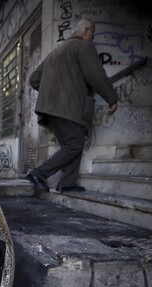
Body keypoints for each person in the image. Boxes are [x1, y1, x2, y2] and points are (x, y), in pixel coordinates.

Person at [27, 18, 118, 193]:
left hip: (50, 109)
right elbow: (96, 76)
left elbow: (34, 79)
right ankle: (39, 173)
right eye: (93, 32)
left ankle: (67, 183)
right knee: (74, 144)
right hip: (69, 108)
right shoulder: (83, 47)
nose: (93, 37)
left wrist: (53, 91)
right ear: (86, 31)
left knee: (73, 143)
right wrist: (111, 98)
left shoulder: (56, 51)